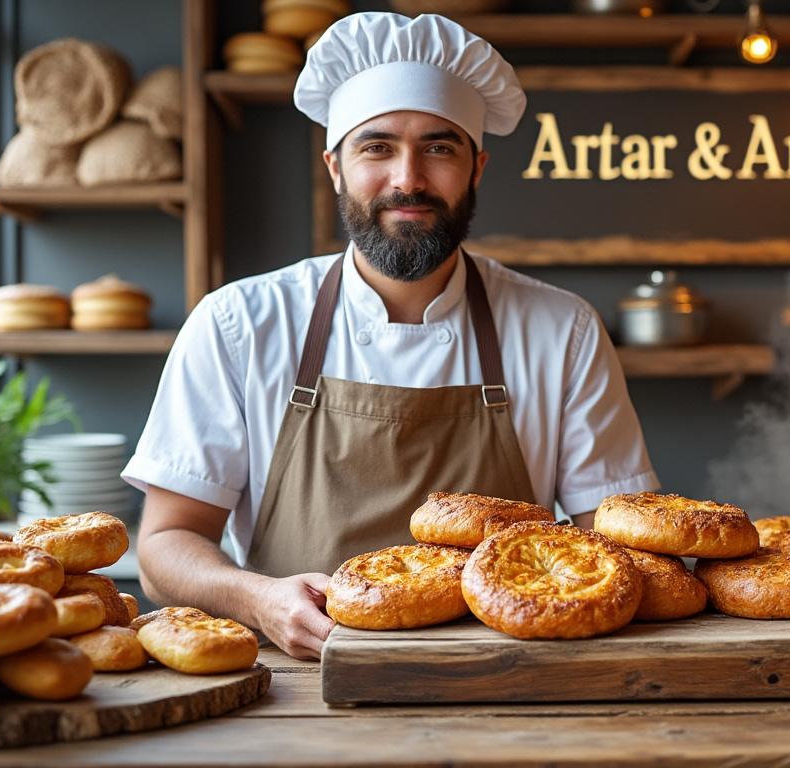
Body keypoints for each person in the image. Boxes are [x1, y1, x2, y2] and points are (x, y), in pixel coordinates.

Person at [123, 12, 658, 659]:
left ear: (477, 167)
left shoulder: (561, 330)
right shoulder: (238, 324)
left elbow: (616, 544)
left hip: (510, 685)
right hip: (295, 688)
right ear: (335, 167)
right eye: (376, 147)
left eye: (439, 147)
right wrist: (255, 599)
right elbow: (163, 547)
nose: (408, 179)